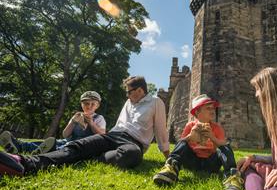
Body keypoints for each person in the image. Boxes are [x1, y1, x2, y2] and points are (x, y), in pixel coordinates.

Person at [0, 76, 169, 177]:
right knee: (77, 146)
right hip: (114, 135)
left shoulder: (155, 102)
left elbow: (161, 131)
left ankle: (91, 157)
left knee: (131, 155)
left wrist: (168, 157)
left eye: (129, 91)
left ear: (140, 90)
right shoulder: (128, 102)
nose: (127, 95)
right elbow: (120, 124)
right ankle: (24, 162)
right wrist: (103, 137)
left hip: (134, 142)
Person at [153, 94, 242, 190]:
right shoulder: (190, 125)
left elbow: (223, 145)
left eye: (213, 108)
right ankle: (171, 168)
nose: (212, 110)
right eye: (208, 108)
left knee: (225, 147)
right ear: (197, 112)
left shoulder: (217, 127)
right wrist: (190, 137)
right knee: (183, 143)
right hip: (192, 161)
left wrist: (212, 137)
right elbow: (181, 143)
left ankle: (231, 176)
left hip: (211, 163)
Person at [0, 91, 106, 155]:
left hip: (80, 145)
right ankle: (18, 145)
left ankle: (47, 151)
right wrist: (73, 122)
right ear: (82, 105)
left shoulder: (99, 118)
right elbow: (65, 134)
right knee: (51, 142)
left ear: (97, 106)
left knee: (63, 147)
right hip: (66, 140)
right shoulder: (77, 116)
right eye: (86, 103)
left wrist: (91, 123)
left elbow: (102, 135)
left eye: (93, 104)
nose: (89, 106)